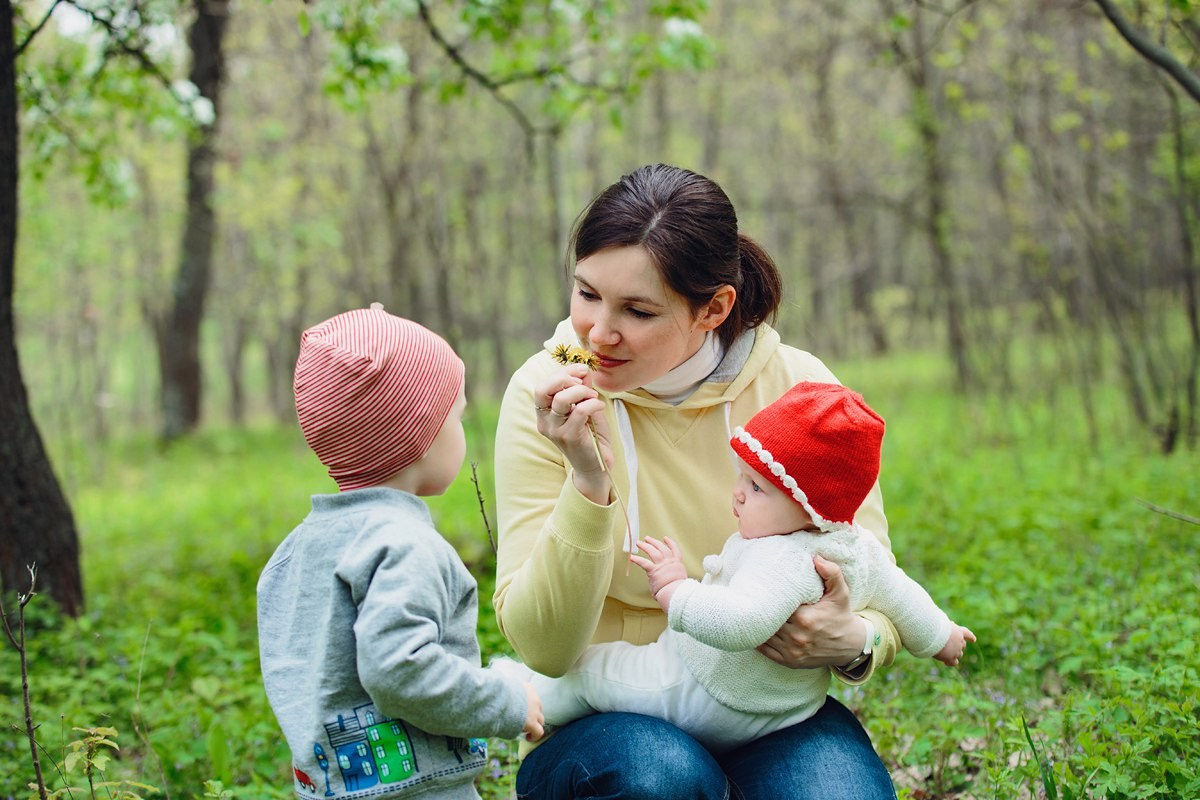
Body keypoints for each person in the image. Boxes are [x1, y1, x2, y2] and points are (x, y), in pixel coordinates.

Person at [494, 163, 901, 799]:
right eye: (586, 293)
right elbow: (542, 647)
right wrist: (587, 482)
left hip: (764, 707)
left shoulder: (799, 388)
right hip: (609, 713)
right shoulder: (544, 392)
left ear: (713, 308)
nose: (598, 333)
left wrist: (856, 641)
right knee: (663, 782)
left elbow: (873, 575)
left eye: (638, 310)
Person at [518, 381, 975, 755]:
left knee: (593, 674)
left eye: (756, 488)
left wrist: (676, 589)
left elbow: (741, 624)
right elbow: (902, 596)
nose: (737, 493)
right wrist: (942, 637)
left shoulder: (784, 559)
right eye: (742, 477)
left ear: (810, 509)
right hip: (787, 709)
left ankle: (523, 702)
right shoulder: (859, 548)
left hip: (709, 695)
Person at [257, 304, 544, 800]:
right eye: (455, 414)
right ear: (419, 436)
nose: (461, 428)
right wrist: (506, 702)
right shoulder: (404, 543)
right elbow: (399, 669)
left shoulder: (293, 552)